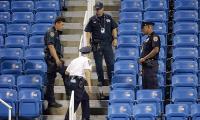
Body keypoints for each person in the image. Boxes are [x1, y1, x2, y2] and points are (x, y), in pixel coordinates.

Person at [84, 1, 118, 98]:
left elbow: (114, 28)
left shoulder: (108, 18)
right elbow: (88, 32)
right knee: (98, 66)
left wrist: (115, 39)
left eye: (99, 9)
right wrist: (87, 44)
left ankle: (112, 82)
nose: (97, 10)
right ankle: (101, 83)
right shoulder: (92, 19)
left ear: (103, 8)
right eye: (96, 9)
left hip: (107, 44)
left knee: (110, 63)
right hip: (97, 45)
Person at [44, 16, 67, 108]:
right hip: (52, 60)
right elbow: (51, 47)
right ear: (57, 23)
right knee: (66, 73)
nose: (63, 26)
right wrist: (57, 59)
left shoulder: (56, 32)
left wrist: (59, 58)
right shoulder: (51, 32)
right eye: (62, 24)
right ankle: (69, 94)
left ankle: (50, 100)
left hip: (54, 59)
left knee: (51, 81)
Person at [64, 46, 92, 120]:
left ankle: (85, 117)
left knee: (85, 98)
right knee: (74, 104)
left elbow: (66, 72)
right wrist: (89, 86)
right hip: (78, 83)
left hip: (71, 81)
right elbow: (87, 72)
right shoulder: (87, 60)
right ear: (89, 53)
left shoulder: (74, 60)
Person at [139, 21, 161, 89]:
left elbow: (156, 50)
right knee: (145, 87)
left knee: (151, 86)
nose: (142, 29)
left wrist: (144, 58)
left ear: (149, 27)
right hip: (146, 65)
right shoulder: (147, 38)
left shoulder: (154, 36)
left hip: (150, 64)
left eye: (143, 27)